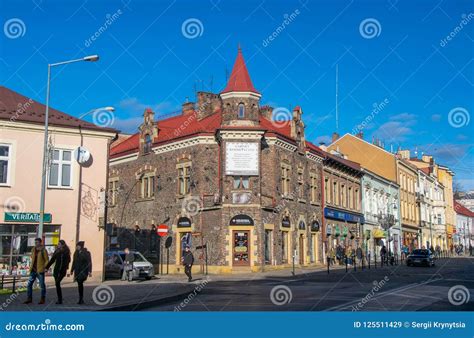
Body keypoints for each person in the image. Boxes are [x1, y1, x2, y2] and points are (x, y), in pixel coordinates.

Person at [24, 238, 49, 304]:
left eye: (37, 242)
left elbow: (47, 260)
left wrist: (44, 267)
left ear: (40, 243)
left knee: (42, 285)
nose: (36, 243)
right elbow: (32, 258)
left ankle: (42, 299)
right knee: (29, 284)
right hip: (33, 270)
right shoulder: (33, 249)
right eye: (35, 242)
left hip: (40, 270)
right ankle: (29, 298)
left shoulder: (43, 250)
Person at [45, 240, 71, 304]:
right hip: (56, 270)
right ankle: (60, 299)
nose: (58, 245)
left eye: (59, 244)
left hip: (62, 270)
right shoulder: (57, 251)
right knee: (57, 284)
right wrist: (46, 267)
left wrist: (66, 267)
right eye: (58, 244)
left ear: (63, 245)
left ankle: (60, 299)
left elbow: (69, 260)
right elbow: (52, 260)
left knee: (57, 283)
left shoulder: (66, 252)